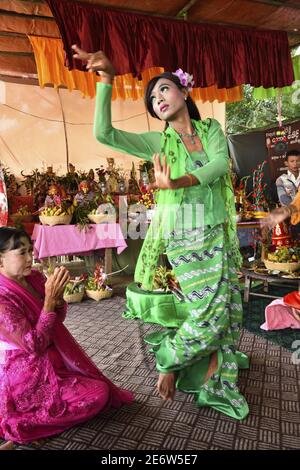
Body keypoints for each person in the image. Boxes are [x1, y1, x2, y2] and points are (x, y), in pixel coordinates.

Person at [72, 45, 249, 420]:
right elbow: (104, 133)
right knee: (210, 313)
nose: (158, 98)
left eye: (164, 89)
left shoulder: (211, 129)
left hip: (221, 234)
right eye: (152, 98)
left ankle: (216, 372)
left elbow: (220, 163)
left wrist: (181, 180)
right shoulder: (157, 143)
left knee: (231, 312)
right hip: (187, 238)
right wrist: (106, 80)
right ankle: (169, 359)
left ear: (184, 92)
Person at [0, 227, 132, 445]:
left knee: (99, 390)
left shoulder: (33, 277)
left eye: (30, 250)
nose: (29, 257)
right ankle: (27, 424)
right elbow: (33, 344)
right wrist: (49, 301)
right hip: (26, 372)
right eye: (21, 253)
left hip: (54, 357)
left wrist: (57, 300)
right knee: (98, 395)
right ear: (1, 260)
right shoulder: (3, 299)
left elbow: (57, 319)